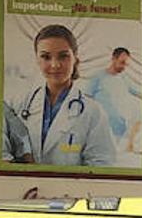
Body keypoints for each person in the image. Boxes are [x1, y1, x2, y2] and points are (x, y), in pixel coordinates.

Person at [8, 24, 114, 167]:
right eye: (46, 57)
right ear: (37, 60)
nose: (55, 65)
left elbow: (101, 165)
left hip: (71, 189)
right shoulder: (19, 103)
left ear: (75, 59)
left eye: (63, 56)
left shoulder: (93, 113)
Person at [86, 46, 142, 158]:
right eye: (122, 63)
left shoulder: (124, 77)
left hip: (120, 130)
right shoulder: (98, 77)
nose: (124, 67)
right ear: (113, 59)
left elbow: (138, 92)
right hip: (102, 130)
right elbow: (87, 98)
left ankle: (131, 145)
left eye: (126, 64)